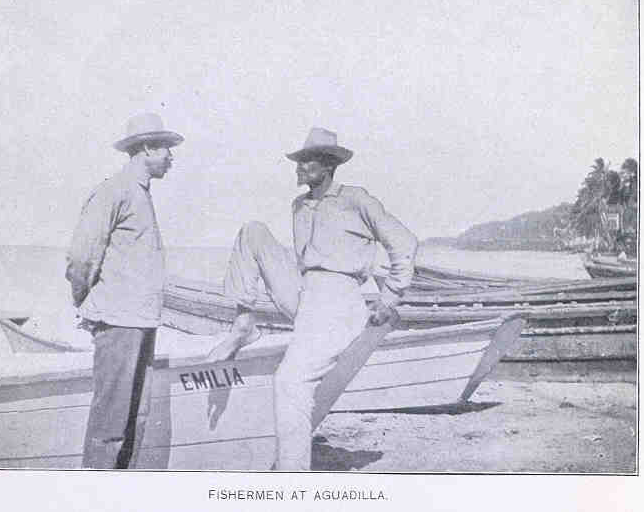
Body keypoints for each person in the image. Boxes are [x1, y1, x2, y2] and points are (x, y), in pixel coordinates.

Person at [207, 127, 417, 470]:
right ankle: (243, 324)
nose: (299, 167)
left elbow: (404, 242)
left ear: (329, 164)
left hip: (338, 298)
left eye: (307, 160)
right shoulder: (299, 205)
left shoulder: (357, 199)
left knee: (291, 381)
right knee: (253, 231)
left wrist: (389, 297)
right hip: (307, 293)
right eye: (298, 160)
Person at [66, 113, 183, 469]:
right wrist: (87, 301)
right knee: (110, 424)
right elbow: (82, 258)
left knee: (136, 419)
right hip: (118, 322)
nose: (171, 157)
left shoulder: (139, 194)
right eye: (166, 149)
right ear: (146, 148)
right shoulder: (115, 190)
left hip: (141, 321)